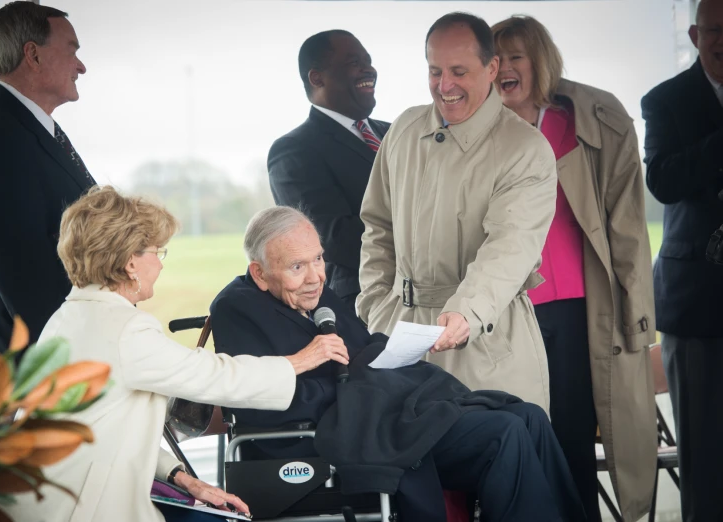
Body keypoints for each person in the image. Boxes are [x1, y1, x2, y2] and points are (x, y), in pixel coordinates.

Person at [211, 206, 586, 522]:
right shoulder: (236, 309)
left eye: (319, 259)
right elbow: (256, 398)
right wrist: (358, 379)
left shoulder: (314, 292)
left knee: (529, 416)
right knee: (504, 431)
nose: (316, 278)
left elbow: (361, 346)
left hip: (388, 414)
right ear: (259, 273)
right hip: (338, 435)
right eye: (297, 267)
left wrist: (396, 351)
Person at [2, 187, 348, 522]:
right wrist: (302, 359)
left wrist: (181, 477)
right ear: (130, 262)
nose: (161, 265)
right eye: (157, 251)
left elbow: (102, 428)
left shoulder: (67, 317)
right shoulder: (126, 329)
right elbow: (217, 376)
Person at [489, 15, 657, 522]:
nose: (507, 70)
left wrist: (637, 310)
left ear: (540, 62)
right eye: (498, 59)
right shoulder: (477, 132)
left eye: (518, 57)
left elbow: (626, 225)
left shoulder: (582, 122)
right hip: (504, 311)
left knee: (572, 437)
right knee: (515, 434)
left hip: (578, 308)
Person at [357, 12, 555, 412]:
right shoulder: (403, 131)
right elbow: (377, 226)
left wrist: (465, 313)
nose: (444, 86)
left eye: (459, 71)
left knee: (494, 468)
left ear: (492, 68)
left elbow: (509, 249)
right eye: (435, 71)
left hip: (486, 344)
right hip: (399, 338)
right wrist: (376, 305)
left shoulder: (525, 149)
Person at [0, 1, 97, 384]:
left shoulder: (27, 128)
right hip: (31, 369)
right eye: (72, 51)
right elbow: (27, 274)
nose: (80, 66)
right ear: (32, 54)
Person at [642, 0, 723, 519]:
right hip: (699, 306)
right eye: (717, 30)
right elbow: (664, 183)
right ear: (695, 35)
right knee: (706, 454)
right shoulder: (666, 100)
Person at [268, 30, 390, 310]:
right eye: (353, 62)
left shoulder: (398, 133)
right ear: (317, 78)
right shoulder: (294, 150)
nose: (368, 69)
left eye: (368, 60)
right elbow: (332, 239)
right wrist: (420, 239)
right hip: (363, 303)